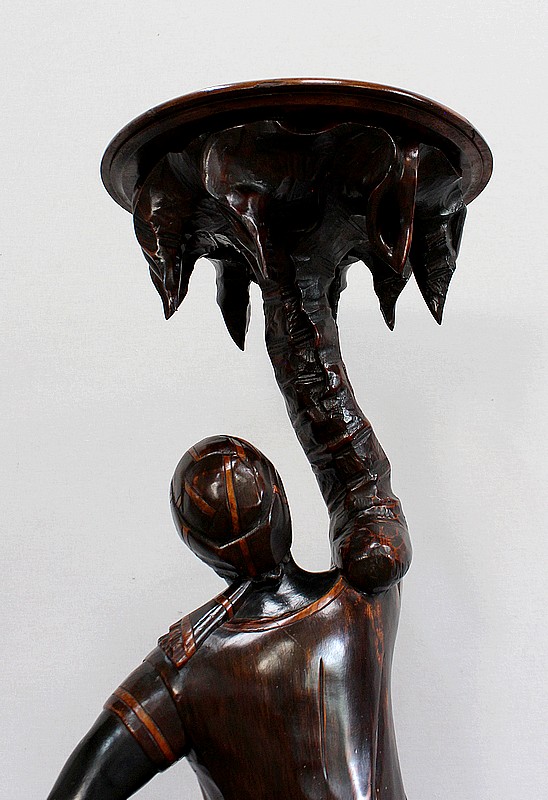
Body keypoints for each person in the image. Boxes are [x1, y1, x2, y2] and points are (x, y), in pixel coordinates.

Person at [47, 435, 406, 800]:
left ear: (199, 547)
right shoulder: (362, 598)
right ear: (281, 503)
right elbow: (358, 472)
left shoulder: (180, 673)